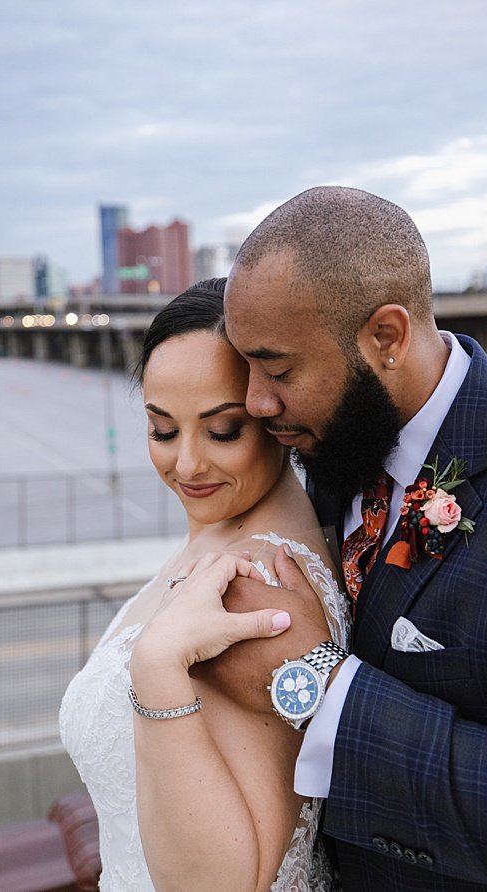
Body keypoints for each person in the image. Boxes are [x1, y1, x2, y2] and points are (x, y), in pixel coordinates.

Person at [192, 186, 487, 890]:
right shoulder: (325, 443)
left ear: (386, 336)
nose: (257, 403)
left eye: (280, 369)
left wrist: (318, 689)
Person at [59, 279, 347, 891]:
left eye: (222, 431)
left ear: (276, 414)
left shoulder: (252, 587)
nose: (186, 464)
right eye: (163, 430)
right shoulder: (220, 539)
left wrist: (157, 668)